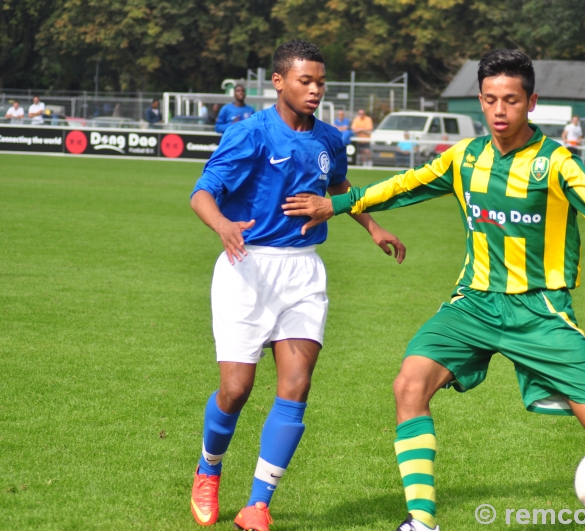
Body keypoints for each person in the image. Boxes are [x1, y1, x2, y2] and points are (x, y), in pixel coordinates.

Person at [284, 48, 585, 531]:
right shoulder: (464, 158)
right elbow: (404, 184)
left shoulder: (555, 163)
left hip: (541, 310)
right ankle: (421, 521)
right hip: (474, 304)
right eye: (489, 100)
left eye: (510, 99)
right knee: (409, 385)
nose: (499, 111)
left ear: (532, 102)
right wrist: (337, 205)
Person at [188, 39, 405, 531]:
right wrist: (222, 225)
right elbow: (203, 191)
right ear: (279, 82)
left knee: (296, 386)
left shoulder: (329, 138)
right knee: (236, 389)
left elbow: (339, 188)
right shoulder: (250, 134)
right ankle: (209, 467)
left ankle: (257, 505)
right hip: (247, 267)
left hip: (304, 271)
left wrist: (373, 227)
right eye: (305, 81)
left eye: (320, 83)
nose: (315, 90)